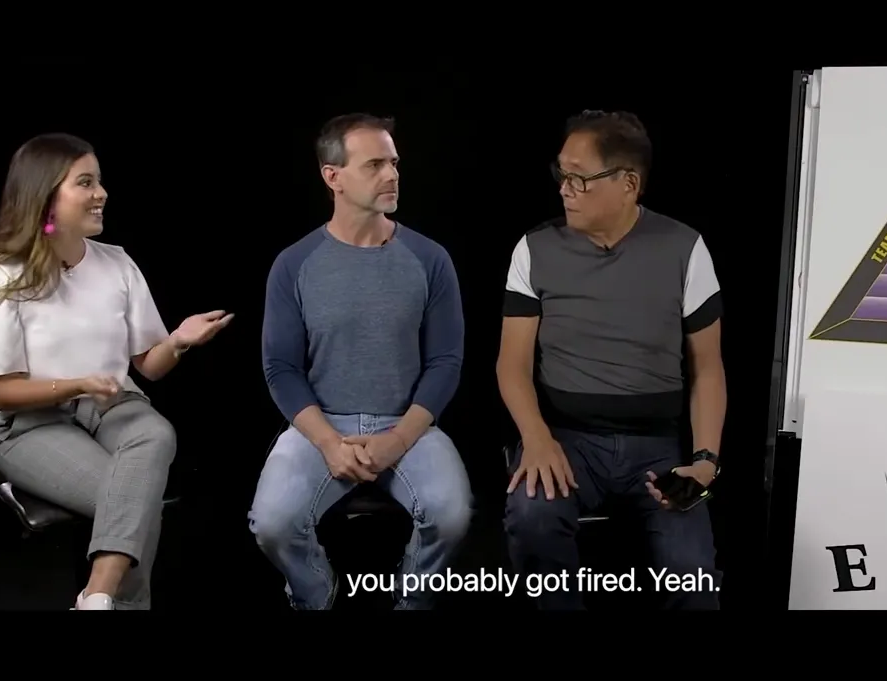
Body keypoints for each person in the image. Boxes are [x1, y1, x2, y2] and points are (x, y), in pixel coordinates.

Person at [0, 133, 233, 611]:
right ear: (46, 196)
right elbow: (0, 393)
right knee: (131, 496)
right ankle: (111, 603)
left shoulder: (117, 264)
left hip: (111, 408)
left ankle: (95, 598)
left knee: (155, 434)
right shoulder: (3, 278)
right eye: (86, 182)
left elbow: (150, 366)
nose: (101, 193)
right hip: (31, 425)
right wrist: (79, 383)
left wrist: (178, 341)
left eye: (99, 181)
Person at [498, 110, 726, 610]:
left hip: (657, 448)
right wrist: (536, 441)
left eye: (580, 178)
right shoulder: (534, 249)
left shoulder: (685, 249)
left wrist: (704, 464)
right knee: (533, 519)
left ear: (629, 184)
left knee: (693, 579)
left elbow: (708, 369)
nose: (565, 189)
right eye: (562, 174)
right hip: (566, 439)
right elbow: (510, 365)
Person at [250, 113, 472, 611]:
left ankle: (412, 598)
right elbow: (281, 368)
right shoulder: (295, 264)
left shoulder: (430, 258)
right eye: (375, 165)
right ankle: (314, 593)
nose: (392, 175)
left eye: (394, 163)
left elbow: (445, 362)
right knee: (273, 524)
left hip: (407, 424)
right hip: (321, 426)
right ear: (334, 177)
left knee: (452, 515)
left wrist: (398, 438)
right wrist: (328, 442)